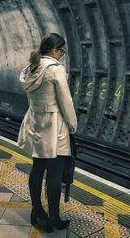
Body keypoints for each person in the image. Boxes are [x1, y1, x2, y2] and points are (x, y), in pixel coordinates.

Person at [17, 33, 77, 233]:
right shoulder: (55, 70)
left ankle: (37, 211)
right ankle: (53, 219)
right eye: (62, 51)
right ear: (55, 50)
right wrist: (72, 125)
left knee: (37, 169)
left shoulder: (30, 68)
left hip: (35, 123)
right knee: (54, 174)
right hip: (54, 126)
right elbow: (65, 101)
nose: (62, 55)